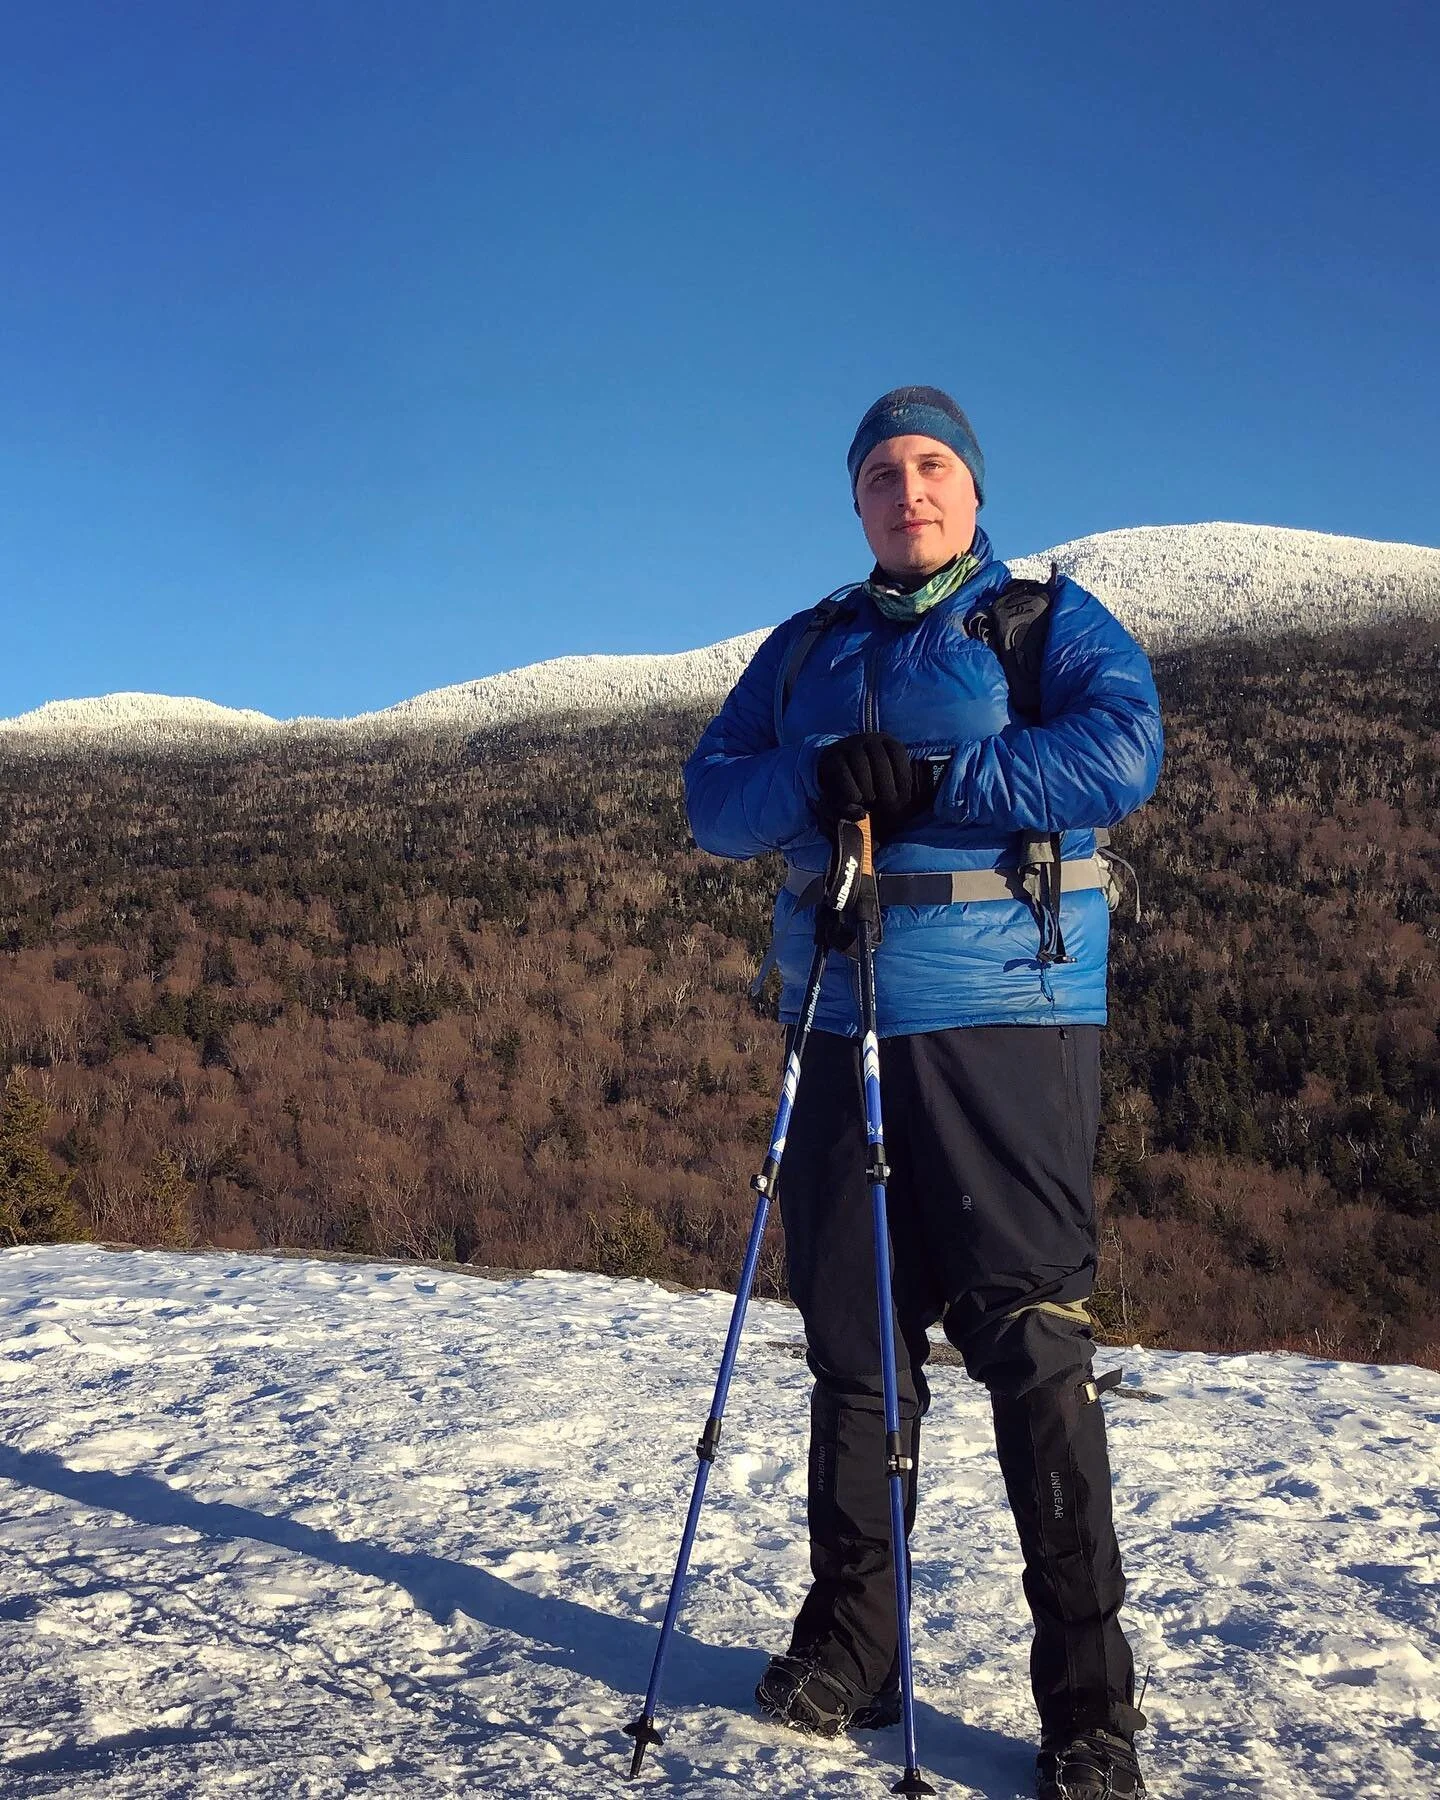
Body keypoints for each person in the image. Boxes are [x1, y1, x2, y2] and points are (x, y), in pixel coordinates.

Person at [682, 387, 1164, 1800]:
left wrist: (934, 775)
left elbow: (1120, 752)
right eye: (883, 472)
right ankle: (855, 1646)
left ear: (973, 486)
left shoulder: (1041, 620)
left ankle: (1088, 1706)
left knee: (1032, 1344)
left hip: (1008, 1014)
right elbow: (714, 800)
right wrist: (818, 775)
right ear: (856, 502)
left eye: (933, 464)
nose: (910, 489)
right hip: (839, 1018)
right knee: (857, 1344)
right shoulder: (808, 645)